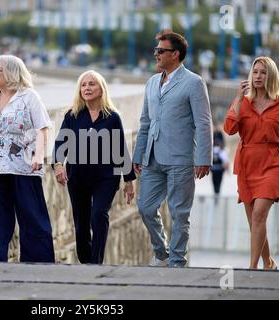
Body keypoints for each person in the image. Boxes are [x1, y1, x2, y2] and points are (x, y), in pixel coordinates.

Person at [133, 30, 213, 268]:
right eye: (155, 50)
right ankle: (162, 253)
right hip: (152, 157)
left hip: (181, 158)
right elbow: (145, 122)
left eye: (161, 50)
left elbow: (203, 122)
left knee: (179, 213)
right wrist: (138, 155)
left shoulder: (194, 82)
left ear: (175, 54)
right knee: (145, 207)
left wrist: (203, 158)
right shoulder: (151, 83)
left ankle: (177, 261)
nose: (156, 54)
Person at [0, 54, 55, 263]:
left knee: (31, 217)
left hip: (23, 166)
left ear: (11, 72)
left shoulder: (29, 97)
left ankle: (38, 261)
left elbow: (43, 129)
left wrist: (38, 155)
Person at [52, 70, 136, 264]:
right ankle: (86, 262)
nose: (87, 88)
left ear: (101, 89)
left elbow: (120, 150)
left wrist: (129, 180)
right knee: (81, 225)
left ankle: (96, 263)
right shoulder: (72, 116)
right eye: (83, 85)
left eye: (92, 84)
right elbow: (60, 144)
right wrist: (58, 165)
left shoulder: (112, 117)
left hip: (105, 178)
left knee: (99, 214)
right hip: (78, 177)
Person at [224, 56, 279, 270]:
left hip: (272, 165)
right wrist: (238, 100)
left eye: (263, 72)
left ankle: (252, 268)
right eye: (255, 72)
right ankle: (268, 262)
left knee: (258, 215)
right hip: (247, 165)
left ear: (271, 76)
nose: (258, 76)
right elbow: (229, 129)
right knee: (255, 222)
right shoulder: (243, 102)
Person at [211, 127, 229, 197]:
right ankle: (216, 194)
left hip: (219, 169)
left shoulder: (222, 151)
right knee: (215, 185)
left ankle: (217, 194)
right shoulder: (215, 149)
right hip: (215, 169)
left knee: (217, 185)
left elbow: (225, 161)